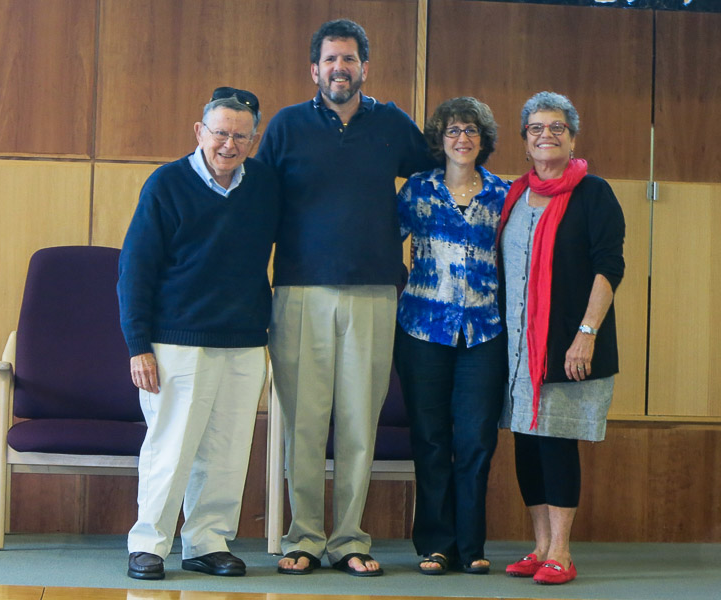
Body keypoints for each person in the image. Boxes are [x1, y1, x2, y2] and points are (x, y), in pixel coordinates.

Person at [256, 19, 435, 576]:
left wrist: (393, 231)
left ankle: (350, 539)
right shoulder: (285, 127)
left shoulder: (392, 125)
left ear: (365, 67)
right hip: (300, 292)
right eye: (330, 59)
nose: (340, 68)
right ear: (315, 69)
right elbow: (257, 202)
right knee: (304, 425)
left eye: (350, 59)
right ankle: (304, 537)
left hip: (374, 294)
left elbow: (432, 182)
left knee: (361, 423)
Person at [118, 88, 278, 580]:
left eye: (241, 136)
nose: (229, 144)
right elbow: (135, 269)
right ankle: (148, 544)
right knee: (171, 447)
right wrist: (138, 346)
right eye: (220, 132)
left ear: (254, 140)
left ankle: (207, 543)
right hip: (176, 339)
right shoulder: (166, 184)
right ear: (199, 132)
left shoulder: (266, 186)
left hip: (245, 339)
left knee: (227, 450)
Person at [497, 91, 625, 585]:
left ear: (572, 138)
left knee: (555, 444)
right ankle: (540, 545)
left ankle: (563, 552)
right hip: (515, 351)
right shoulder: (513, 194)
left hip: (568, 347)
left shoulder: (594, 193)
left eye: (556, 127)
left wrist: (585, 333)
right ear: (525, 141)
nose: (545, 135)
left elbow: (609, 266)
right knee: (526, 446)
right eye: (535, 128)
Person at [393, 97, 509, 576]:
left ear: (483, 142)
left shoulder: (505, 195)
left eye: (472, 132)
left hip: (484, 333)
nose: (462, 139)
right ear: (439, 140)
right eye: (453, 131)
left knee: (478, 439)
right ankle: (436, 545)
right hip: (422, 329)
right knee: (432, 438)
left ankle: (471, 545)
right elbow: (380, 244)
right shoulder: (417, 190)